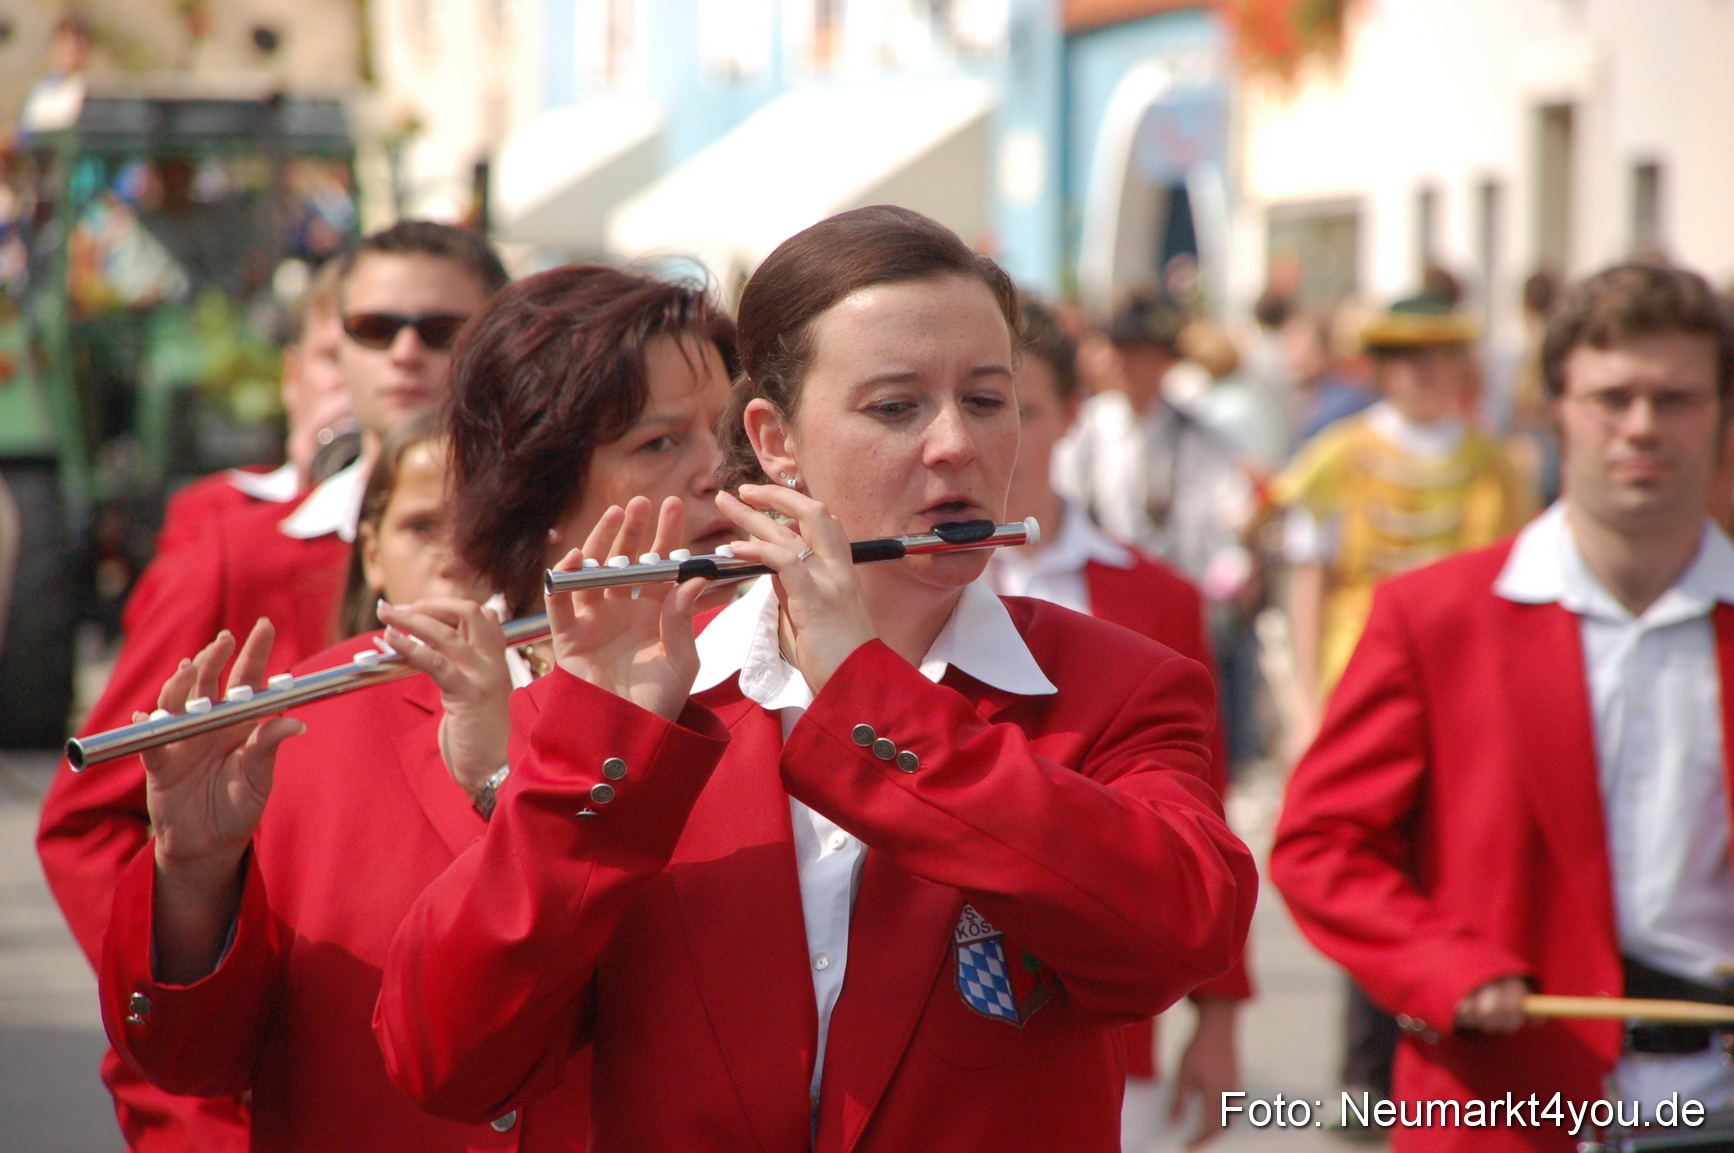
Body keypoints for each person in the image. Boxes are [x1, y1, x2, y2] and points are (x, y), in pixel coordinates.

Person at [97, 264, 738, 1150]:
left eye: (726, 432)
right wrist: (196, 874)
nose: (717, 474)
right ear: (535, 490)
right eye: (661, 442)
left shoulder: (759, 707)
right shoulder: (326, 718)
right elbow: (193, 1062)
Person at [37, 219, 507, 1153]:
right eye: (373, 327)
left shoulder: (550, 564)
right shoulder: (239, 546)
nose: (406, 350)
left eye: (441, 327)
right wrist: (203, 1075)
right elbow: (98, 818)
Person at [1270, 261, 1734, 1152]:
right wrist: (1442, 962)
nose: (1642, 426)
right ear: (1554, 408)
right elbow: (1321, 845)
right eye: (1612, 397)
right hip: (1503, 1109)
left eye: (1676, 398)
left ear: (1718, 415)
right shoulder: (1434, 618)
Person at [991, 297, 1251, 1151]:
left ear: (1072, 415)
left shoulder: (1154, 596)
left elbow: (1203, 806)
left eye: (1020, 407)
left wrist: (1218, 1017)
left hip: (1109, 1003)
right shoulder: (899, 592)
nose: (1004, 438)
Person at [1053, 293, 1266, 773]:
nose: (1129, 365)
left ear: (1164, 361)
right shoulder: (1084, 429)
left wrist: (1235, 564)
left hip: (1176, 603)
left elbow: (1237, 512)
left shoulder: (1200, 434)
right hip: (1100, 599)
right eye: (1122, 351)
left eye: (1143, 353)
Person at [153, 257, 353, 561]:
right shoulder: (214, 512)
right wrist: (303, 501)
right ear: (293, 376)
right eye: (334, 358)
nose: (357, 381)